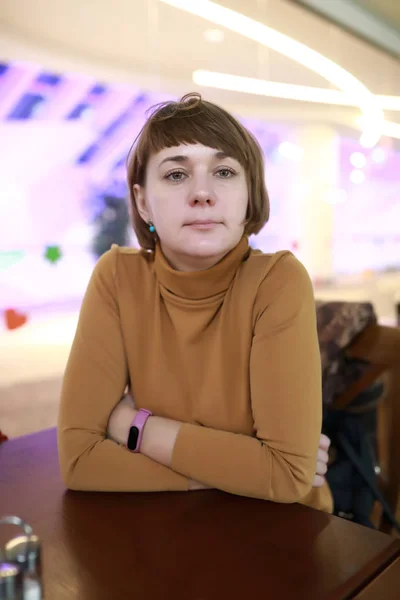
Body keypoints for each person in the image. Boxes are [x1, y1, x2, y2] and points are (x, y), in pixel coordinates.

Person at [58, 93, 332, 512]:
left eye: (223, 171)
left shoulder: (277, 281)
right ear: (143, 201)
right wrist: (246, 469)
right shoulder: (117, 277)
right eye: (175, 175)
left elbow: (288, 478)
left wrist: (134, 428)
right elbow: (79, 461)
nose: (202, 193)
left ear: (249, 197)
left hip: (282, 529)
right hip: (165, 529)